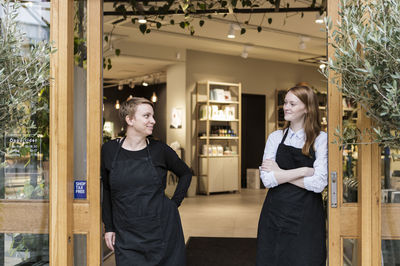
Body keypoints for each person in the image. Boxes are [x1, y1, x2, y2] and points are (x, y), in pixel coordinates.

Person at [101, 97, 192, 265]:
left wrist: (174, 203)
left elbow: (186, 173)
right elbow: (106, 190)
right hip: (126, 234)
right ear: (130, 119)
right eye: (147, 116)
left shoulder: (160, 150)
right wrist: (109, 227)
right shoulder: (109, 150)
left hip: (161, 231)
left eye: (153, 116)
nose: (153, 121)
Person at [256, 85, 327, 266]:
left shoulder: (321, 139)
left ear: (307, 108)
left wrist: (280, 173)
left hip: (307, 217)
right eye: (285, 102)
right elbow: (267, 180)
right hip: (275, 214)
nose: (286, 107)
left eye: (292, 104)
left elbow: (319, 183)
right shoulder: (275, 137)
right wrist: (303, 171)